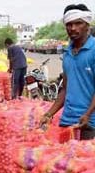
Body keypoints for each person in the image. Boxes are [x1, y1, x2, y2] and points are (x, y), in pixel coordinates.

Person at [40, 4, 95, 140]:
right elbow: (65, 89)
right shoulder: (67, 53)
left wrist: (87, 114)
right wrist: (49, 114)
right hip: (67, 120)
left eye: (78, 23)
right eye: (69, 24)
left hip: (89, 124)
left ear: (87, 24)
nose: (73, 28)